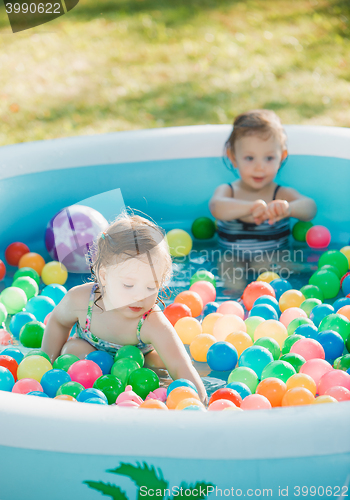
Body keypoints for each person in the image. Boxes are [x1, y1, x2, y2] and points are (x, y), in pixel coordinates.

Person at [42, 211, 207, 403]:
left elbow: (180, 366)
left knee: (160, 363)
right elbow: (58, 322)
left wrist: (199, 403)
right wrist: (46, 364)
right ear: (104, 276)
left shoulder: (151, 321)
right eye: (128, 285)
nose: (140, 296)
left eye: (151, 287)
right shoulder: (80, 300)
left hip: (137, 367)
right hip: (89, 358)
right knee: (72, 350)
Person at [209, 109, 317, 253]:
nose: (259, 168)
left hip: (274, 259)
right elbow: (216, 207)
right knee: (228, 266)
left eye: (269, 158)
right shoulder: (228, 191)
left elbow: (310, 208)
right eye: (249, 158)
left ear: (282, 157)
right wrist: (250, 208)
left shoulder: (280, 194)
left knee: (273, 264)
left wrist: (288, 209)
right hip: (231, 258)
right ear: (233, 157)